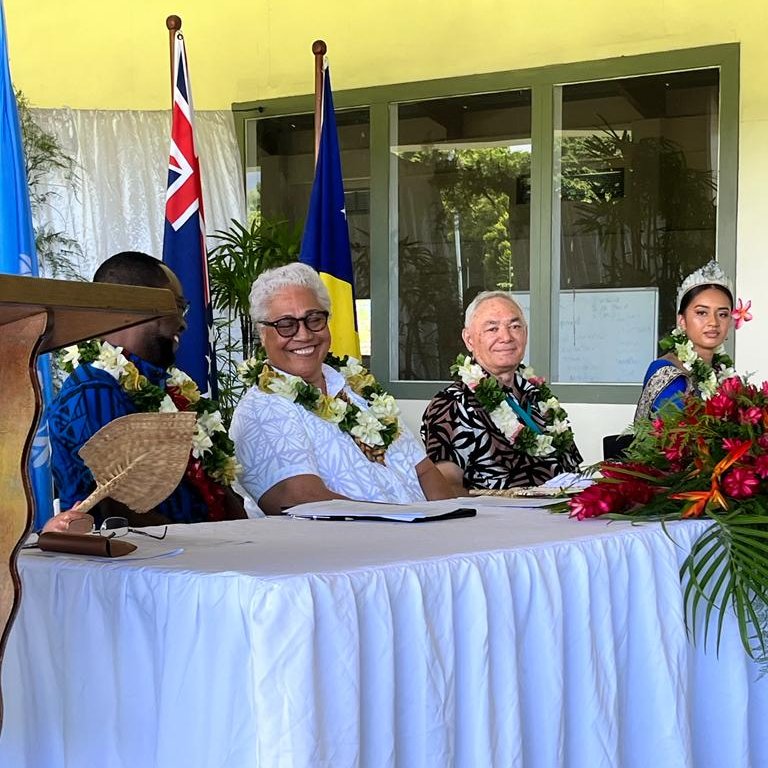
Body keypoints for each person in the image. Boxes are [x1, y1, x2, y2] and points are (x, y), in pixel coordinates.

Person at [230, 262, 453, 516]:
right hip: (361, 548)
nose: (303, 335)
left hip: (426, 540)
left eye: (314, 319)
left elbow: (423, 470)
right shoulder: (261, 408)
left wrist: (453, 527)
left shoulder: (358, 389)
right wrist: (404, 525)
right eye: (286, 324)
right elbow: (301, 499)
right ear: (262, 332)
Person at [46, 251, 245, 529]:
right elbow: (123, 506)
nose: (183, 322)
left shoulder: (171, 387)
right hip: (141, 560)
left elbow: (214, 485)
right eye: (175, 306)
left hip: (202, 549)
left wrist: (244, 535)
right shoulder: (94, 390)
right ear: (133, 306)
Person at [421, 291, 582, 494]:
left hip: (565, 511)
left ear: (526, 333)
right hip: (499, 520)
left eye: (515, 327)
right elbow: (447, 488)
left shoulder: (538, 396)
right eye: (492, 328)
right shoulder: (451, 404)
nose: (506, 337)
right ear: (469, 339)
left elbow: (572, 467)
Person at [634, 260, 736, 422]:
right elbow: (678, 437)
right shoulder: (666, 372)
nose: (713, 322)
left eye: (722, 314)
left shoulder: (723, 373)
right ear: (682, 320)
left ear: (731, 321)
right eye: (702, 313)